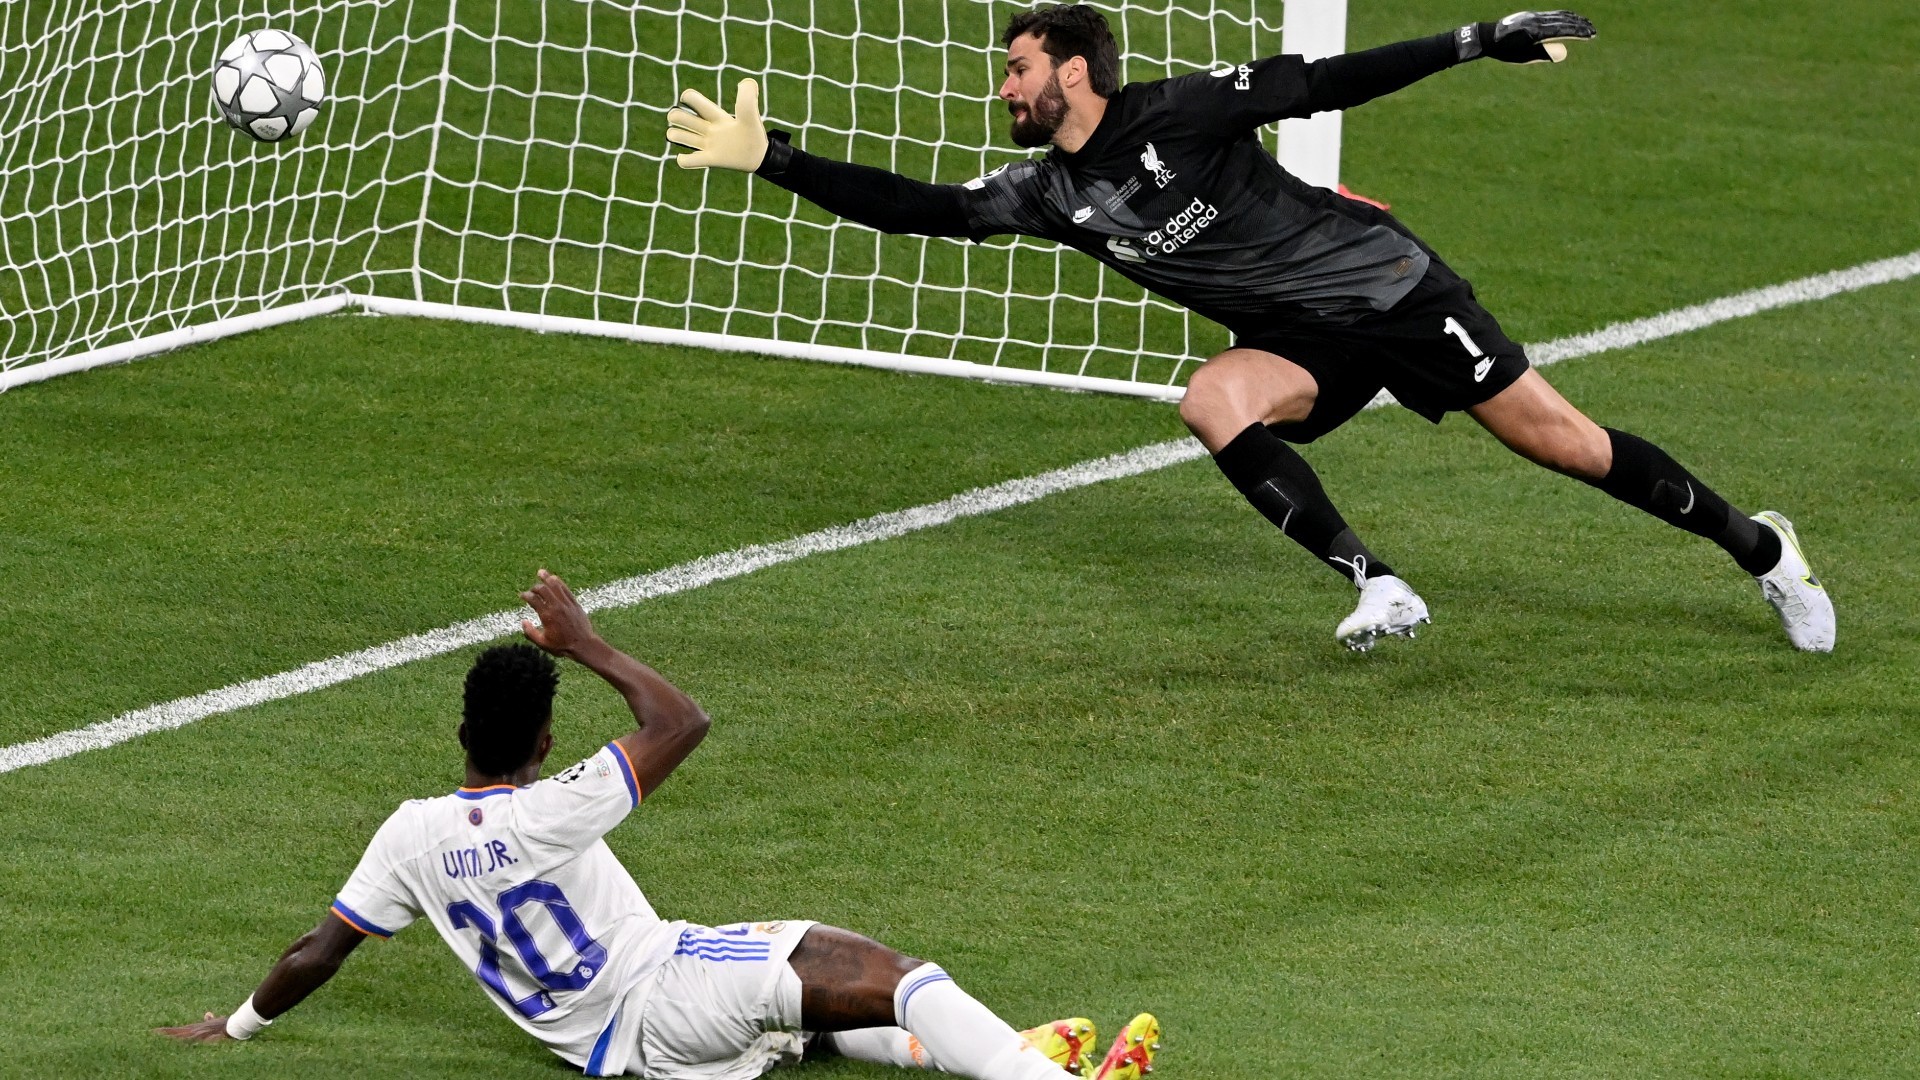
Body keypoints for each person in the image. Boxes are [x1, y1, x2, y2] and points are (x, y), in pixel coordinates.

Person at [662, 5, 1835, 654]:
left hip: (1392, 296)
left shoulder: (1179, 111)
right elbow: (923, 211)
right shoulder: (1049, 195)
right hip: (1300, 345)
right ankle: (1380, 585)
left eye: (1017, 70)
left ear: (1074, 69)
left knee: (1565, 446)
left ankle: (1764, 553)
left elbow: (1325, 81)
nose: (1004, 90)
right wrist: (774, 158)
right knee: (1209, 399)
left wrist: (1474, 42)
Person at [157, 569, 1161, 1079]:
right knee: (885, 970)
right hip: (663, 990)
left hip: (613, 1049)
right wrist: (586, 640)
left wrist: (238, 1022)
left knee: (797, 1023)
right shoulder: (557, 807)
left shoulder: (408, 837)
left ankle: (992, 1045)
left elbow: (320, 949)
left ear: (463, 731)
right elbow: (681, 721)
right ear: (546, 740)